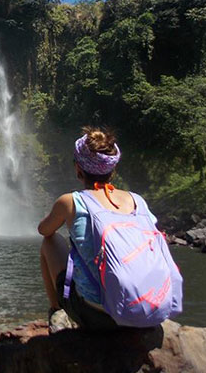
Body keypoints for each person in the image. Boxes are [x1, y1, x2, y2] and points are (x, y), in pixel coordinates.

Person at [38, 127, 159, 331]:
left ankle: (57, 310)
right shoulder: (138, 201)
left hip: (99, 317)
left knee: (50, 241)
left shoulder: (70, 202)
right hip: (146, 310)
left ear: (78, 169)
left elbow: (43, 230)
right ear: (113, 170)